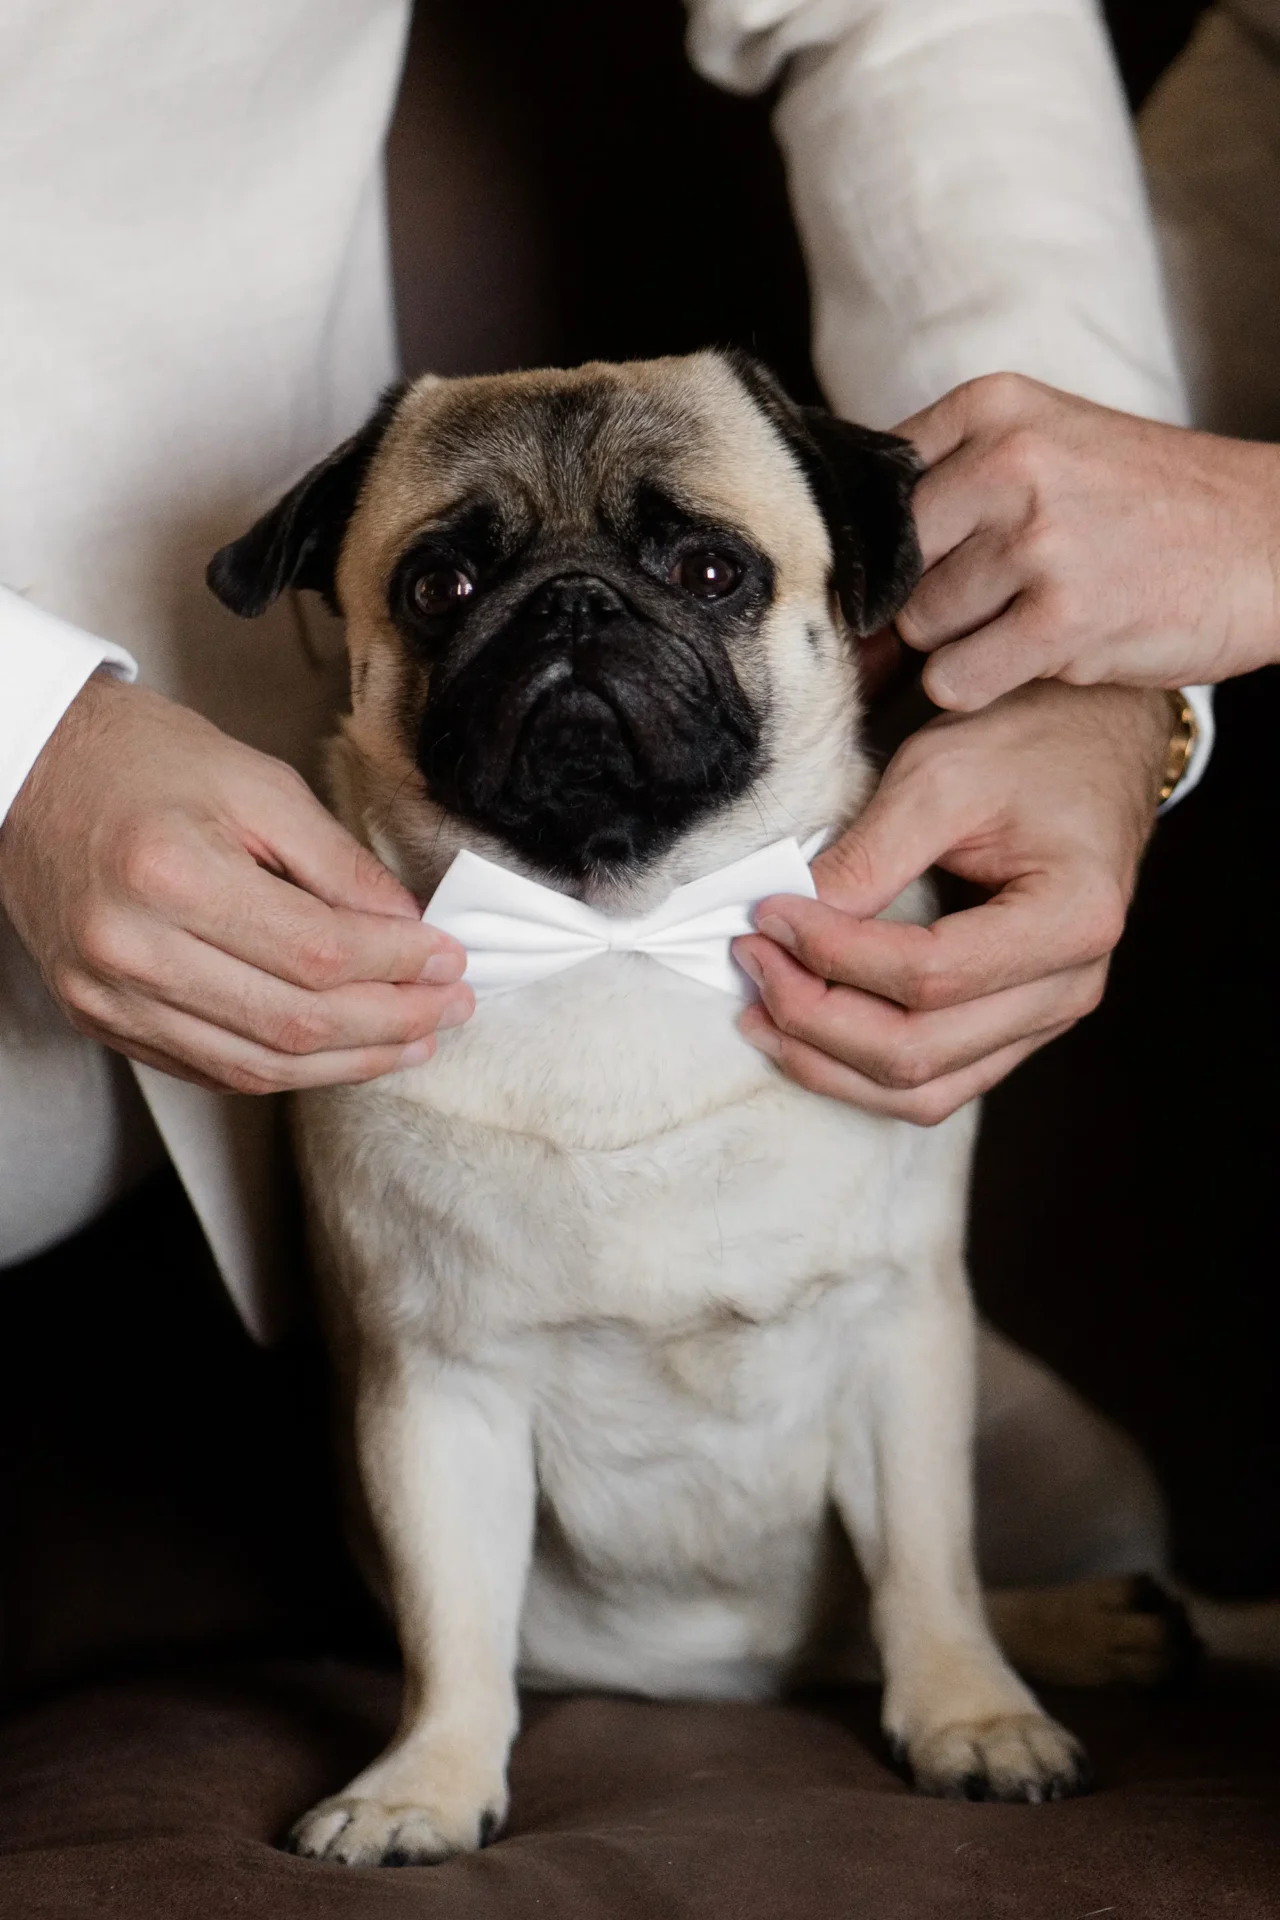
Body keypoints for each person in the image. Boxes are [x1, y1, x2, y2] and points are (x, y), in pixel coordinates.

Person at [0, 0, 1208, 1340]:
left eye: (699, 576)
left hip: (277, 767)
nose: (575, 624)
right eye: (459, 589)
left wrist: (1078, 645)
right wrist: (19, 741)